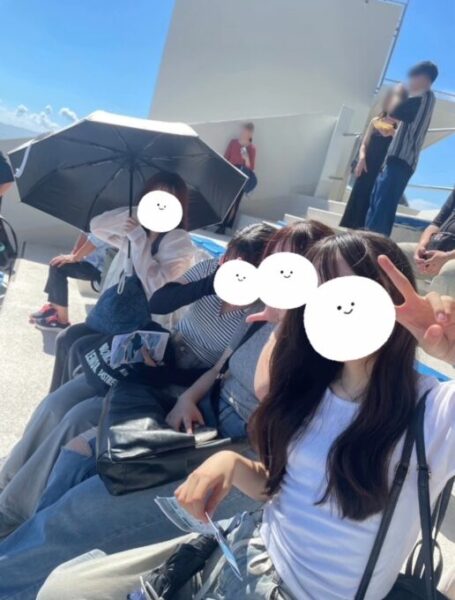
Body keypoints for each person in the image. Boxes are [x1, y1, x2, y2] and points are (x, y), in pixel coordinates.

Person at [37, 231, 455, 600]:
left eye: (349, 292)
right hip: (244, 554)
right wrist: (233, 465)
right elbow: (282, 491)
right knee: (67, 585)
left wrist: (450, 352)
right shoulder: (310, 387)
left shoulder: (432, 412)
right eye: (317, 293)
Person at [0, 221, 333, 600]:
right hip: (195, 410)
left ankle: (18, 569)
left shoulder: (303, 335)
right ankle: (21, 540)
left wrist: (283, 318)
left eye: (283, 263)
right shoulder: (261, 317)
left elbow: (267, 405)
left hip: (229, 449)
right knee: (77, 450)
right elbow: (213, 361)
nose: (268, 271)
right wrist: (187, 399)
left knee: (83, 507)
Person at [0, 224, 274, 540]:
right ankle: (8, 483)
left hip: (183, 382)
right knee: (58, 402)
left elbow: (218, 371)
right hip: (160, 350)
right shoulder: (211, 270)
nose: (230, 267)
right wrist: (212, 283)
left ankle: (13, 512)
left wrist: (160, 374)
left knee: (80, 417)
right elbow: (160, 302)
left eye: (243, 266)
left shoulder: (261, 312)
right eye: (229, 258)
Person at [47, 170, 195, 392]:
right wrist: (134, 215)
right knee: (65, 338)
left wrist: (139, 240)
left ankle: (73, 397)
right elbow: (97, 226)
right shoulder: (138, 227)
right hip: (116, 314)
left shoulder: (178, 242)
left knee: (79, 347)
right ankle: (56, 397)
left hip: (143, 326)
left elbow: (156, 286)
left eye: (167, 199)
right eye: (154, 197)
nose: (159, 204)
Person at [366, 61, 438, 236]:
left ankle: (372, 246)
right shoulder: (422, 99)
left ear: (425, 78)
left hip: (401, 160)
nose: (411, 80)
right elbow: (398, 121)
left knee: (381, 210)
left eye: (415, 76)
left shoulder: (424, 96)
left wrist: (400, 92)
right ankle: (369, 243)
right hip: (397, 160)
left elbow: (392, 112)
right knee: (377, 206)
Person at [339, 85, 407, 229]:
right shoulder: (376, 120)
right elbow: (364, 144)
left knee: (373, 199)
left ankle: (365, 231)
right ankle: (351, 229)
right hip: (367, 163)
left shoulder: (400, 125)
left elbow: (400, 147)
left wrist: (392, 134)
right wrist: (361, 159)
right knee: (359, 194)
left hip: (383, 168)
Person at [30, 232, 111, 331]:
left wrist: (75, 258)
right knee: (57, 263)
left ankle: (62, 322)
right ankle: (55, 307)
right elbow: (85, 233)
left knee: (58, 268)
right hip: (89, 261)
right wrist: (73, 254)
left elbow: (96, 240)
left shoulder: (108, 223)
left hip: (101, 268)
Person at [399, 187, 455, 297]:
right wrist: (422, 245)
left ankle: (435, 308)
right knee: (393, 253)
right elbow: (436, 224)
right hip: (432, 251)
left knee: (449, 272)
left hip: (450, 258)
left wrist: (448, 257)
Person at [219, 122, 258, 233]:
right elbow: (226, 158)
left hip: (242, 175)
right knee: (226, 199)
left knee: (235, 202)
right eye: (245, 131)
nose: (246, 134)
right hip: (231, 172)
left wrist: (246, 158)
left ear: (251, 134)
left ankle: (226, 226)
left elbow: (251, 167)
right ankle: (221, 223)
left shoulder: (252, 148)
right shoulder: (233, 142)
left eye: (249, 132)